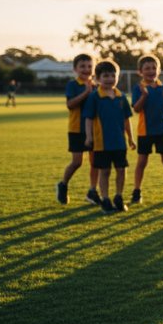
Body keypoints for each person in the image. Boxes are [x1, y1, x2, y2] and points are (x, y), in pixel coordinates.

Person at [82, 59, 135, 213]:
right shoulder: (94, 97)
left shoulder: (121, 97)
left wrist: (130, 138)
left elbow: (126, 120)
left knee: (121, 169)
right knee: (104, 171)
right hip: (101, 143)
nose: (110, 79)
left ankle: (118, 197)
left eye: (113, 76)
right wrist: (88, 136)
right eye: (106, 76)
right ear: (98, 79)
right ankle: (105, 199)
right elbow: (89, 118)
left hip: (119, 142)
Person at [130, 54, 163, 203]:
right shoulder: (138, 88)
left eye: (154, 68)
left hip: (162, 130)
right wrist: (144, 96)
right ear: (140, 71)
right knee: (142, 162)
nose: (151, 71)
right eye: (147, 68)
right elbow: (136, 109)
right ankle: (137, 191)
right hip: (145, 131)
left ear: (158, 70)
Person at [57, 54, 101, 205]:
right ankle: (63, 184)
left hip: (94, 129)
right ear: (75, 69)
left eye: (90, 66)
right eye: (82, 66)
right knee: (77, 162)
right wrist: (86, 93)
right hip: (76, 129)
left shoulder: (97, 86)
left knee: (95, 162)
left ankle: (92, 191)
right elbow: (70, 105)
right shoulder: (73, 85)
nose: (86, 69)